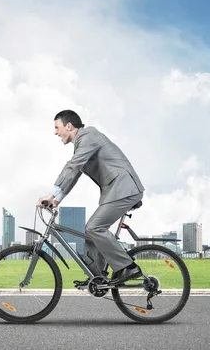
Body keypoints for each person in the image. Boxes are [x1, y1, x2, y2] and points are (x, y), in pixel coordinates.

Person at [37, 109, 145, 286]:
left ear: (69, 126)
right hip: (116, 190)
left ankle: (128, 267)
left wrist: (51, 193)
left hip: (125, 189)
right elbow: (76, 172)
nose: (55, 132)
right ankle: (96, 276)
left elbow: (72, 166)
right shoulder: (82, 144)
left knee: (94, 227)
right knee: (92, 232)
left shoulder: (88, 136)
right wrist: (56, 199)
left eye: (57, 127)